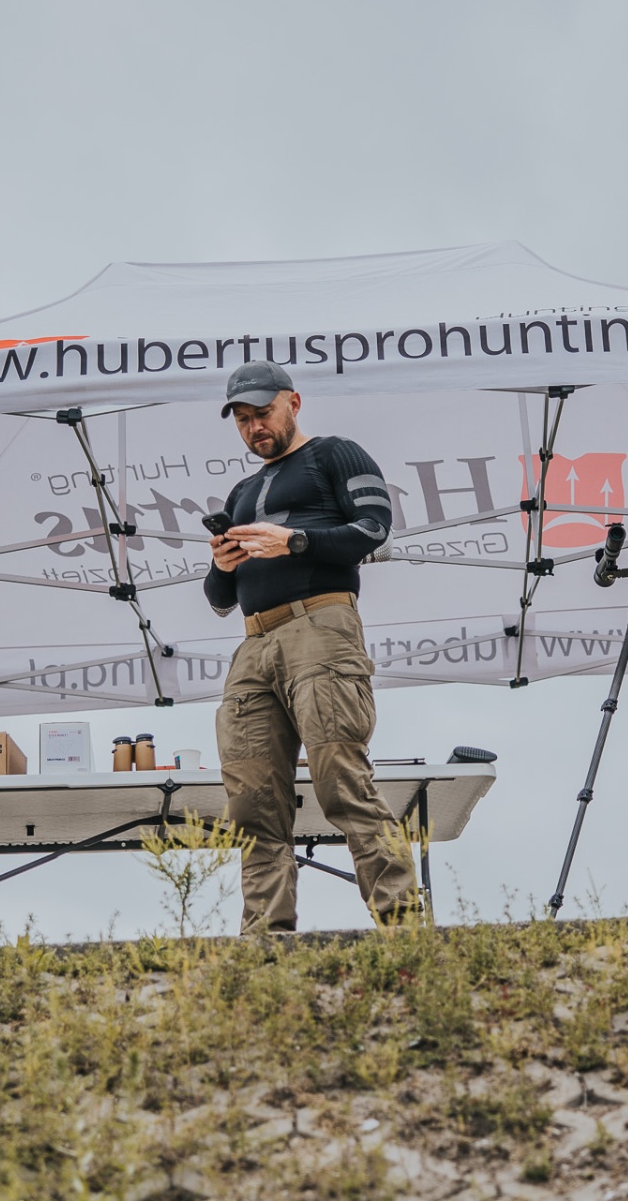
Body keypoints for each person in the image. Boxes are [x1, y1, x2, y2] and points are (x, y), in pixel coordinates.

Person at [203, 360, 419, 932]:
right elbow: (221, 600)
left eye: (263, 414)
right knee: (251, 802)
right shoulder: (242, 490)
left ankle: (403, 927)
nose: (254, 428)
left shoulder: (334, 454)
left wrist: (294, 540)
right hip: (254, 643)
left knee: (340, 779)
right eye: (243, 419)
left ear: (293, 404)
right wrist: (222, 567)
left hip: (320, 626)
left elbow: (374, 528)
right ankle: (265, 940)